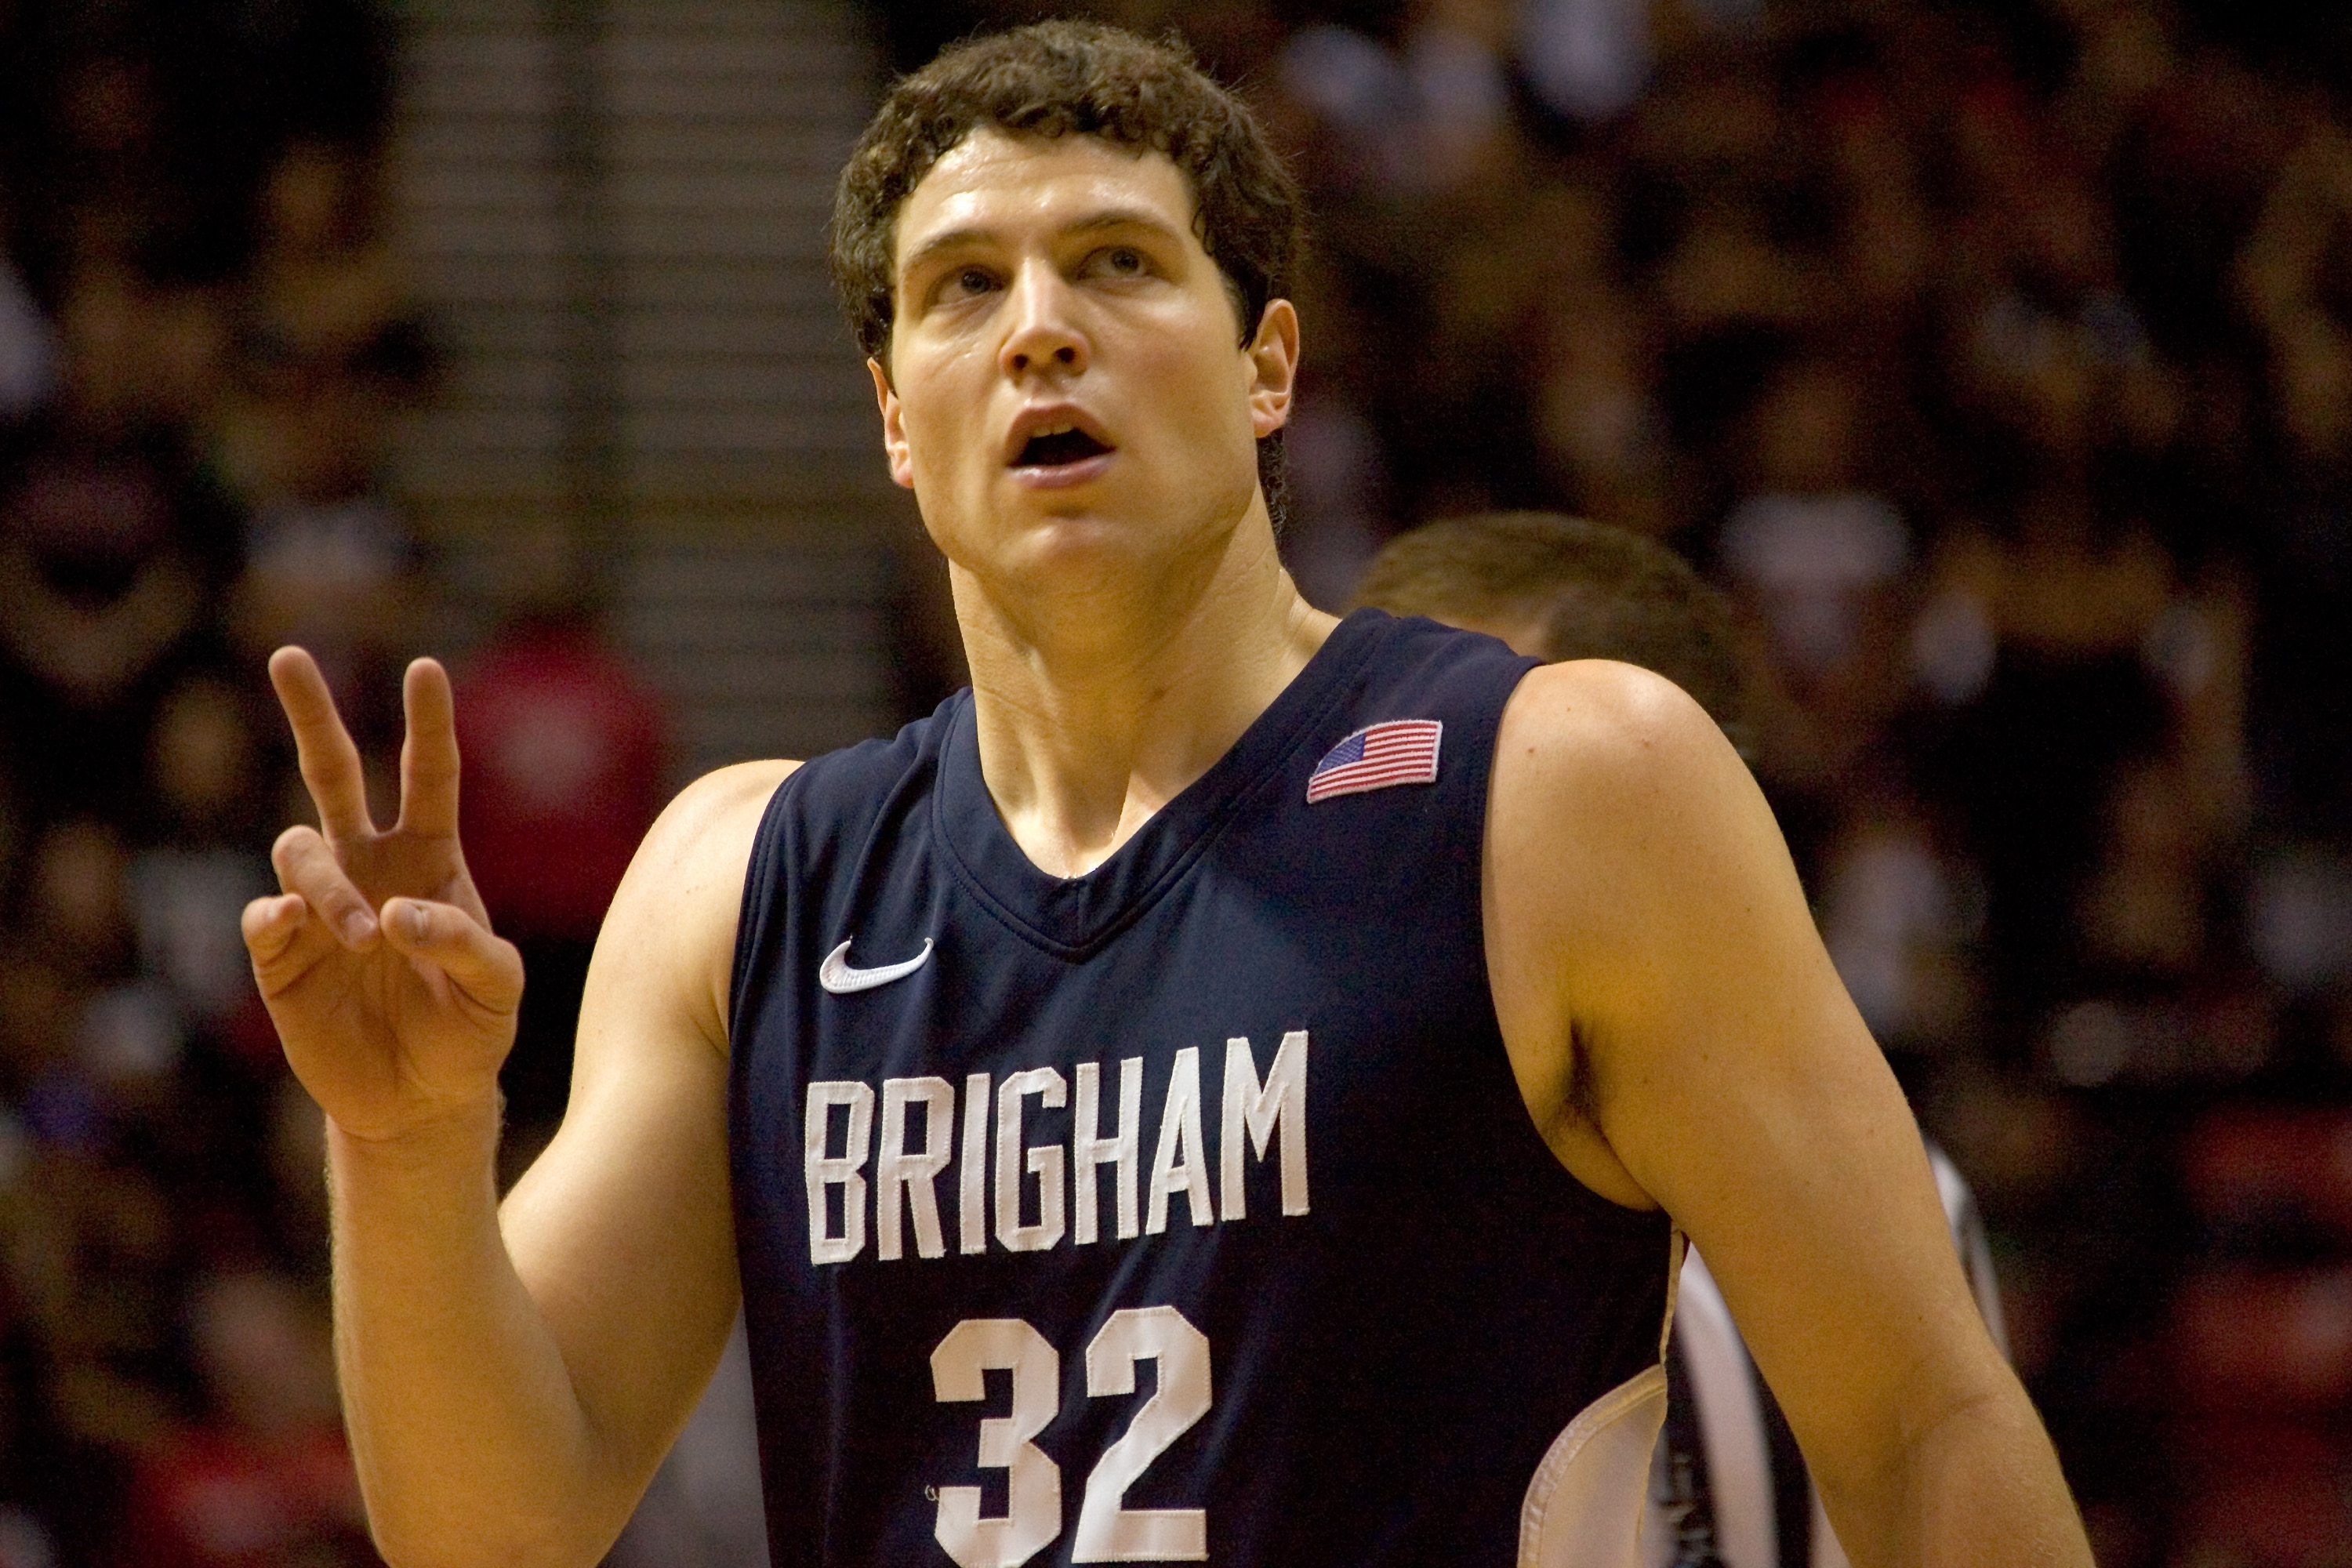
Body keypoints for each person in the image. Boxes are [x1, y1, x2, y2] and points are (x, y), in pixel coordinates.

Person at [241, 22, 2090, 1568]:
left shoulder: (1563, 785)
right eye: (965, 289)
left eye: (1119, 262)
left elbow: (1926, 1427)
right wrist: (405, 1152)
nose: (1040, 327)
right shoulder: (749, 879)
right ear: (895, 416)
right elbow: (491, 1525)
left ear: (1267, 364)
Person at [1349, 510, 2013, 1568]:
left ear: (1680, 808)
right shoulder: (1270, 1158)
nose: (1368, 822)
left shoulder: (1886, 1207)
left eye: (1456, 758)